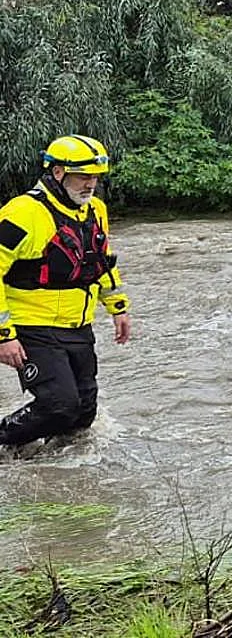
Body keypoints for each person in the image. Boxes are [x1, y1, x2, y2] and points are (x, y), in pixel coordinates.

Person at [0, 135, 132, 452]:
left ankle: (53, 474)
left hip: (78, 326)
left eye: (95, 177)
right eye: (83, 176)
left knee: (84, 413)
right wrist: (4, 334)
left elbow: (102, 261)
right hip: (32, 326)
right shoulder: (22, 213)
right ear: (58, 172)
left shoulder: (95, 210)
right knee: (59, 405)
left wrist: (118, 308)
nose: (91, 184)